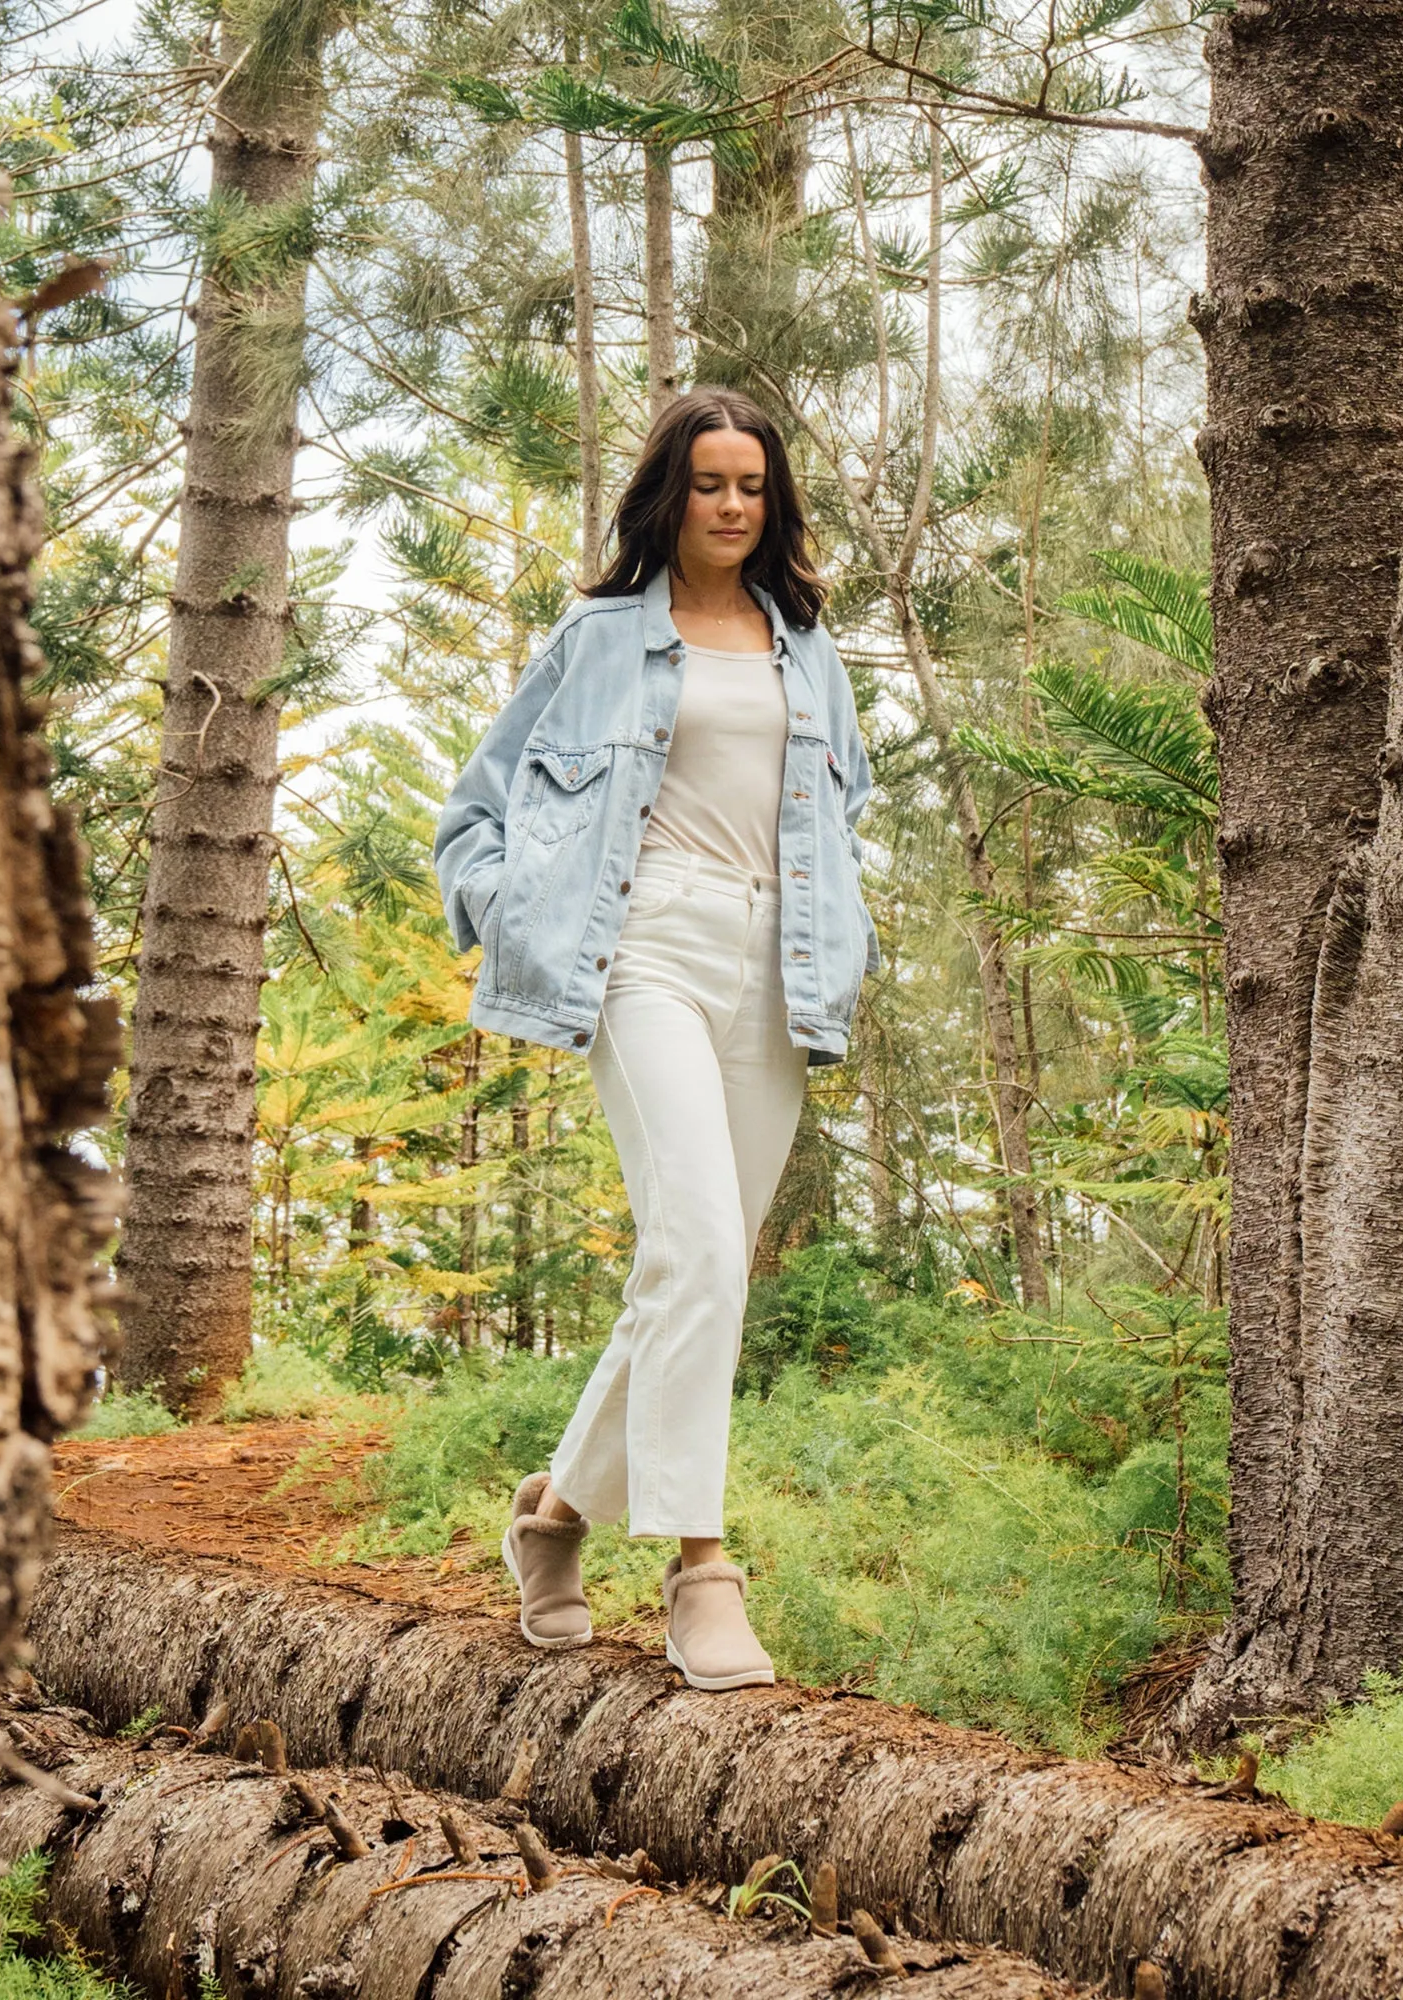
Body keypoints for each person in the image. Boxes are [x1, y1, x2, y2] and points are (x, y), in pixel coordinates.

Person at [433, 387, 878, 1690]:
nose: (731, 506)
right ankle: (700, 1570)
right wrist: (517, 911)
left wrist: (848, 931)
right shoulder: (599, 639)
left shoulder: (809, 648)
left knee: (704, 1270)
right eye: (708, 484)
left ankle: (555, 1516)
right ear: (668, 496)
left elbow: (842, 822)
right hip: (642, 949)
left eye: (751, 486)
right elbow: (475, 811)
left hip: (778, 968)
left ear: (772, 501)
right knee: (692, 1247)